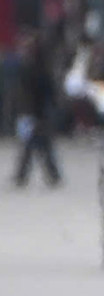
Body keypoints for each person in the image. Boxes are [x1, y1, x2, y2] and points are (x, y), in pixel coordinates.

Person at [12, 29, 63, 187]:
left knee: (35, 145)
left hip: (38, 111)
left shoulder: (37, 68)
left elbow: (42, 92)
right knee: (39, 145)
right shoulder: (33, 66)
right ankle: (49, 175)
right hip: (36, 111)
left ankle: (25, 175)